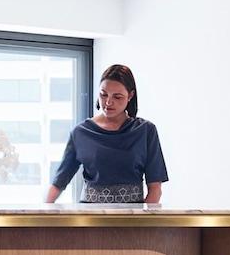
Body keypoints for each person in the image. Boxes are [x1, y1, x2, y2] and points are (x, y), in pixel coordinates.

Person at [45, 63, 168, 204]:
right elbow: (59, 183)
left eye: (117, 97)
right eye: (103, 95)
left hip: (133, 219)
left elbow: (155, 189)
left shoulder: (146, 131)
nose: (108, 102)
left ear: (130, 95)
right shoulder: (81, 133)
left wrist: (141, 222)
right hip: (89, 219)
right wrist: (39, 217)